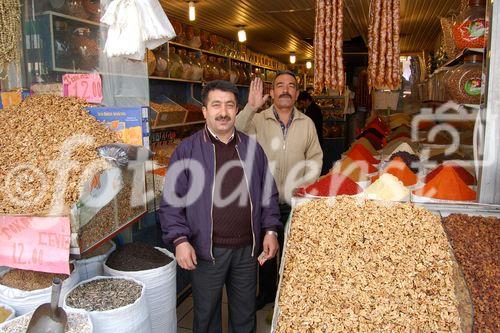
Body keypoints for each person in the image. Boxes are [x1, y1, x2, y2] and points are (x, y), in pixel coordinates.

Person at [159, 80, 281, 333]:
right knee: (206, 317)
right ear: (204, 111)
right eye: (216, 105)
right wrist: (180, 240)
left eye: (229, 105)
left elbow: (268, 193)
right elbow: (171, 202)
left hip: (247, 252)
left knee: (245, 316)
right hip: (206, 251)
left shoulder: (252, 148)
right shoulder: (187, 150)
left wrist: (270, 230)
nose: (223, 112)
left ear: (237, 110)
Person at [235, 72, 323, 310]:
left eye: (291, 86)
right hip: (264, 201)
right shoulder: (258, 120)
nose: (286, 90)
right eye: (280, 86)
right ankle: (266, 293)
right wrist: (250, 108)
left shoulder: (307, 123)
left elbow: (315, 158)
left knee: (292, 251)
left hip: (295, 201)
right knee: (265, 251)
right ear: (271, 92)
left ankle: (289, 296)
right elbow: (236, 132)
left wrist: (303, 186)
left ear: (296, 93)